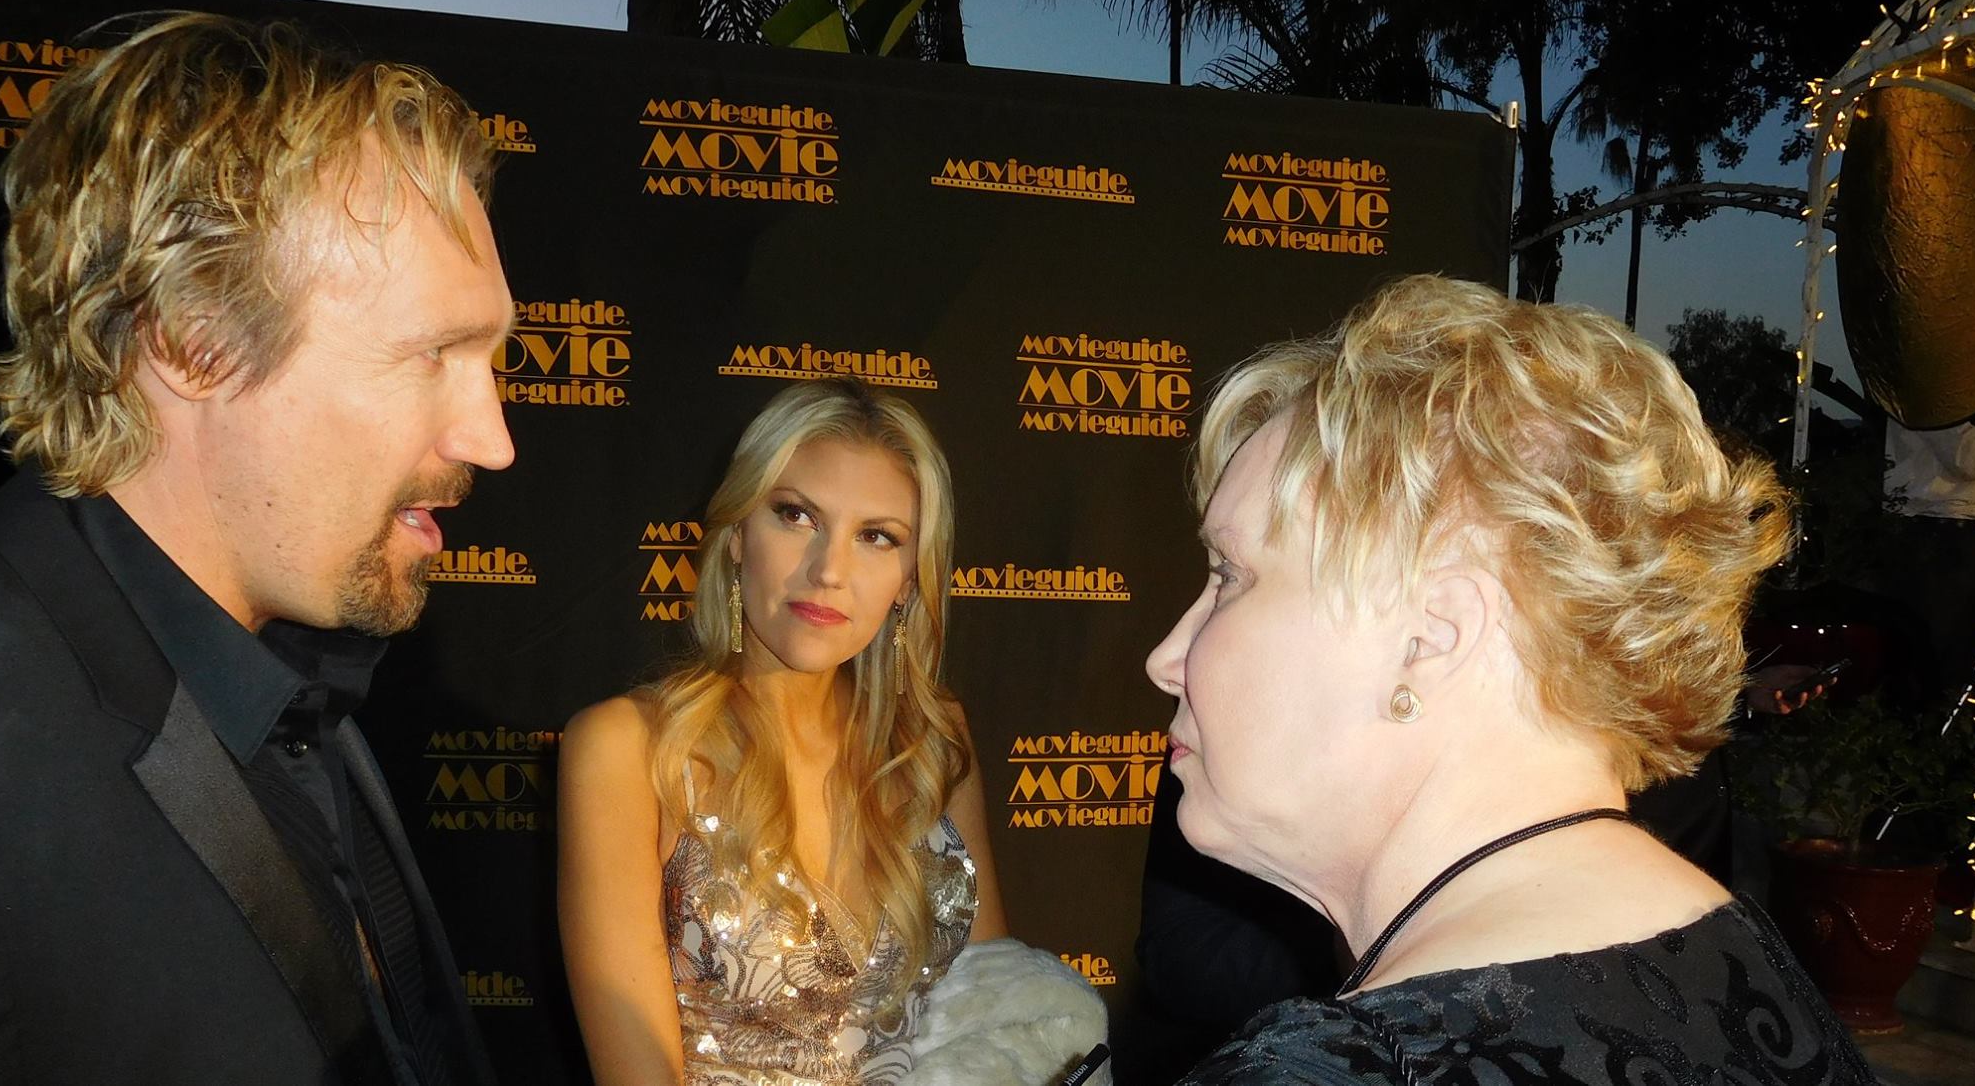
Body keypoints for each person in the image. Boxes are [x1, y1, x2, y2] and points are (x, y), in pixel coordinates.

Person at [0, 14, 515, 1085]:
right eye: (436, 353)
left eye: (492, 358)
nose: (492, 437)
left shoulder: (296, 663)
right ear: (194, 335)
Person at [1146, 276, 1876, 1083]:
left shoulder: (1346, 1071)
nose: (1167, 657)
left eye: (1230, 576)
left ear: (1433, 638)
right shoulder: (1749, 968)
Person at [558, 380, 1010, 1086]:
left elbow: (997, 1023)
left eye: (876, 537)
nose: (828, 571)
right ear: (737, 535)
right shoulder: (628, 748)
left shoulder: (932, 740)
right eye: (796, 515)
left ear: (909, 579)